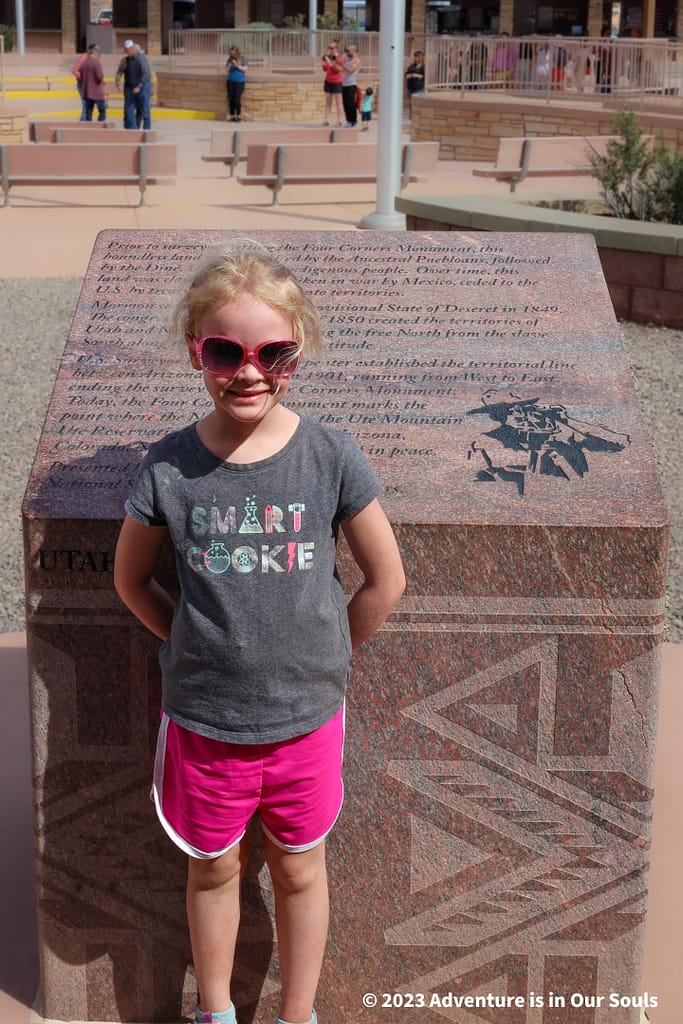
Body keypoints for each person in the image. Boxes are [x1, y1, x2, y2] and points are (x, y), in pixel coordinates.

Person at [113, 241, 406, 1024]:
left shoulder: (328, 455)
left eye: (272, 352)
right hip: (207, 720)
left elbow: (386, 579)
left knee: (300, 870)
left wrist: (329, 651)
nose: (248, 370)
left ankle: (297, 1012)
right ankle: (214, 1010)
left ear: (296, 353)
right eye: (224, 351)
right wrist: (187, 639)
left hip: (305, 717)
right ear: (195, 354)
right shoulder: (168, 469)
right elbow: (130, 578)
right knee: (211, 869)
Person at [122, 39, 152, 130]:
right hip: (132, 86)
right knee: (129, 107)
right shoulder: (128, 59)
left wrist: (139, 86)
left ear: (134, 48)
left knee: (144, 108)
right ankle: (133, 128)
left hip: (143, 86)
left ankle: (147, 129)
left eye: (130, 49)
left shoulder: (141, 59)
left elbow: (146, 74)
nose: (128, 51)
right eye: (127, 50)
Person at [79, 43, 107, 122]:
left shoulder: (84, 63)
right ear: (96, 53)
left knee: (89, 112)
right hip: (97, 92)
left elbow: (81, 76)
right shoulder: (96, 63)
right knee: (102, 111)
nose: (99, 56)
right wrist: (102, 81)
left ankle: (89, 128)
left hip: (87, 91)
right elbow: (99, 76)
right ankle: (100, 127)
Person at [321, 40, 344, 125]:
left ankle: (340, 121)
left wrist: (330, 62)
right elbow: (325, 69)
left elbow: (337, 69)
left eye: (332, 48)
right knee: (328, 102)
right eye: (329, 48)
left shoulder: (340, 57)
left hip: (337, 82)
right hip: (328, 81)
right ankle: (326, 120)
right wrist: (325, 61)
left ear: (336, 49)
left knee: (338, 103)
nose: (330, 49)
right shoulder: (328, 57)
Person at [341, 43, 361, 127]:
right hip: (344, 85)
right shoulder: (347, 61)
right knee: (345, 104)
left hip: (351, 85)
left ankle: (354, 121)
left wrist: (342, 64)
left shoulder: (357, 60)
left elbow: (350, 70)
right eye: (346, 51)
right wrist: (333, 63)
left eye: (348, 51)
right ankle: (349, 120)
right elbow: (341, 70)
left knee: (351, 104)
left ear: (354, 51)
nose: (347, 52)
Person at [226, 46, 248, 122]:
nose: (233, 54)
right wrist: (229, 66)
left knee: (236, 99)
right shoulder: (230, 59)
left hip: (240, 82)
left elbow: (245, 69)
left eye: (234, 52)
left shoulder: (242, 59)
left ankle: (238, 116)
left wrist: (237, 65)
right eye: (231, 53)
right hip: (230, 81)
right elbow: (227, 70)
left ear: (237, 52)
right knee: (231, 99)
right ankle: (232, 116)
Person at [71, 46, 91, 121]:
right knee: (86, 104)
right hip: (83, 84)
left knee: (87, 105)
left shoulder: (91, 59)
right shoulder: (84, 58)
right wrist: (83, 78)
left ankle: (84, 121)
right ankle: (83, 122)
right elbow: (74, 70)